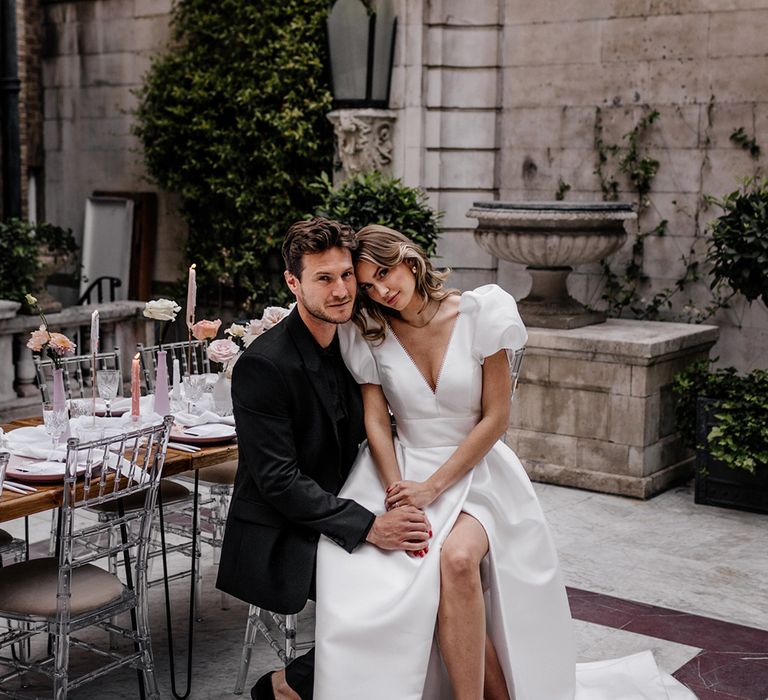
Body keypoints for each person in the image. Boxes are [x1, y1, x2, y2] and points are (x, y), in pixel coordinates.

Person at [313, 224, 697, 699]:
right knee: (377, 569)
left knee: (456, 559)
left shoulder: (481, 312)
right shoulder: (368, 332)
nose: (382, 291)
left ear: (410, 260)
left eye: (385, 273)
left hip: (478, 472)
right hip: (402, 470)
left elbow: (496, 419)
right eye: (369, 285)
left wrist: (432, 489)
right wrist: (398, 497)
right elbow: (377, 422)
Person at [216, 218, 431, 700]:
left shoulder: (353, 340)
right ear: (293, 283)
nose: (341, 290)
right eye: (324, 278)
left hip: (340, 504)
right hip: (283, 530)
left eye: (346, 275)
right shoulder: (263, 365)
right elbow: (279, 481)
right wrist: (371, 526)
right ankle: (286, 686)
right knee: (402, 587)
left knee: (434, 564)